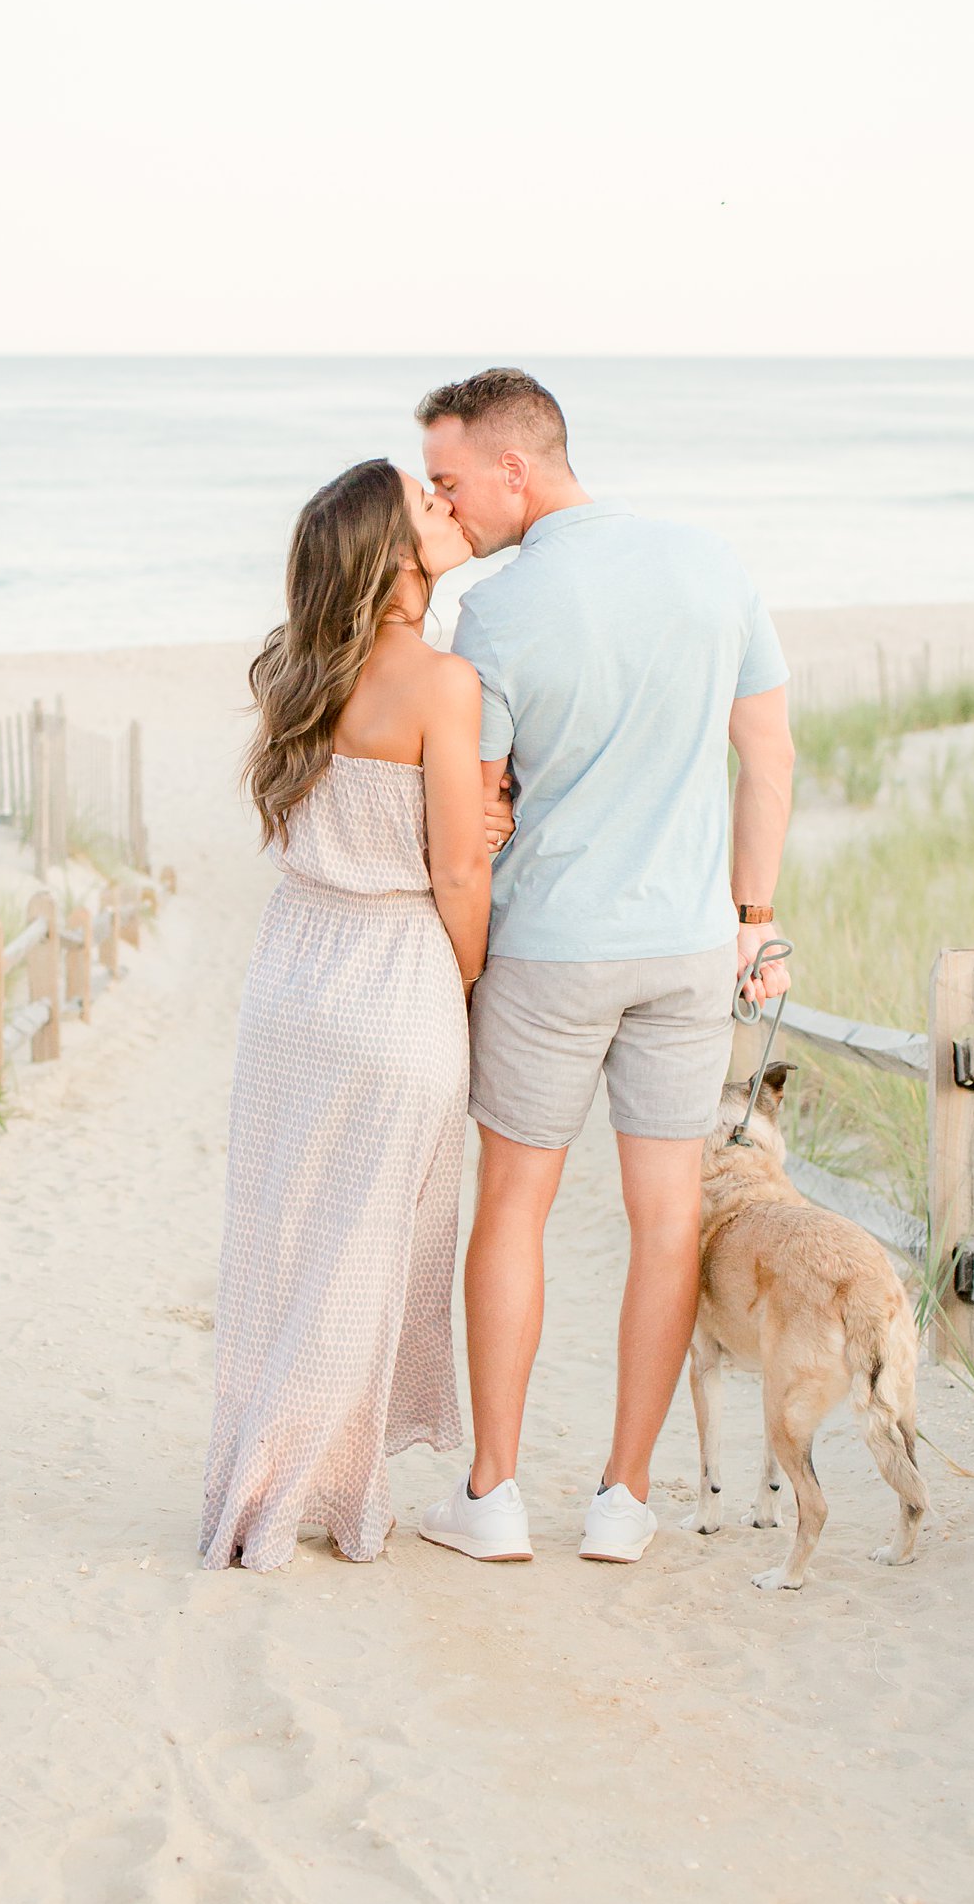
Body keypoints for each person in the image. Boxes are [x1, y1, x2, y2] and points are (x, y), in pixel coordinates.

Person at [416, 368, 794, 1567]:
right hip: (684, 950)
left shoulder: (496, 612)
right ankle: (624, 1503)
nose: (447, 506)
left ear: (514, 469)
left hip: (546, 951)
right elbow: (767, 756)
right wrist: (752, 915)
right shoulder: (710, 565)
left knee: (513, 1208)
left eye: (449, 479)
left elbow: (476, 808)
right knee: (665, 1218)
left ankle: (493, 1496)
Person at [200, 457, 491, 1571]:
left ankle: (263, 1479)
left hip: (288, 981)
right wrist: (458, 985)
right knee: (367, 1254)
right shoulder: (438, 683)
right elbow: (457, 873)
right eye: (422, 505)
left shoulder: (288, 671)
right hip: (390, 972)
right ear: (393, 556)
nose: (442, 506)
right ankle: (305, 1490)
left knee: (286, 1240)